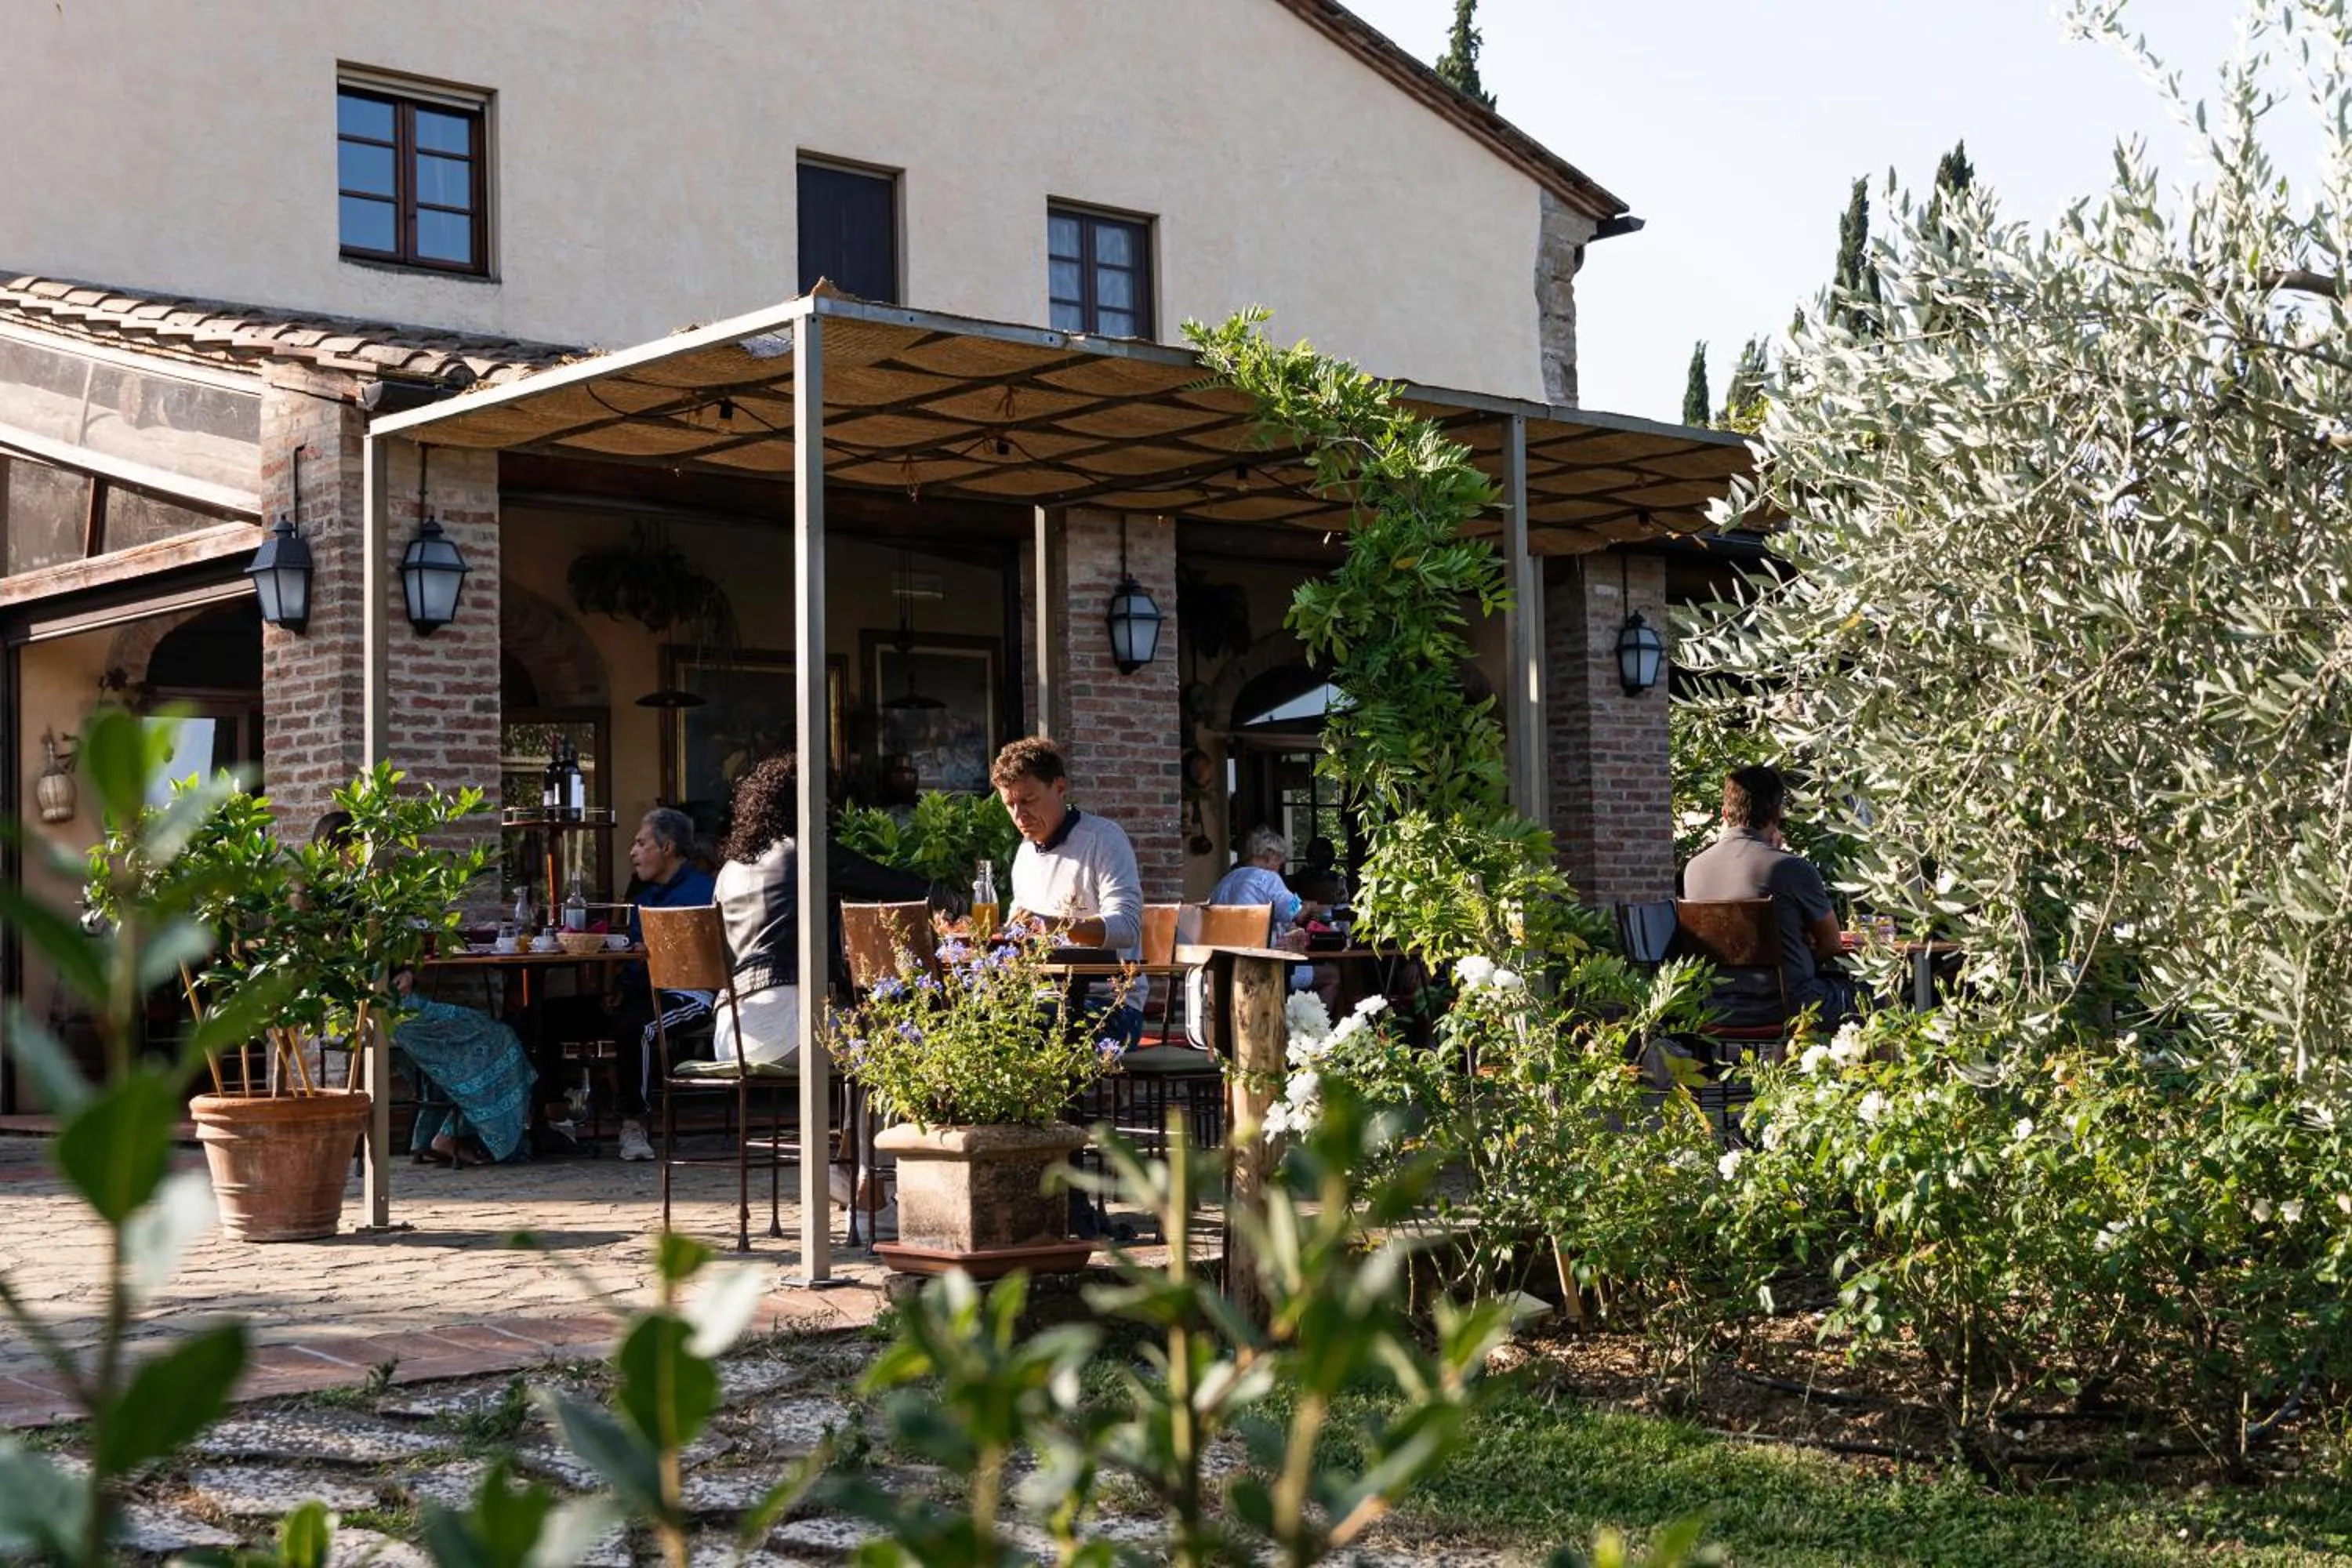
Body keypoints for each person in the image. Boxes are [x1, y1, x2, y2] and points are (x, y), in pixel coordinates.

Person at [311, 812, 534, 1167]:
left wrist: (406, 973)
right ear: (335, 848)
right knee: (499, 1037)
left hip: (398, 1001)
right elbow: (333, 968)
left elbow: (393, 954)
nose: (363, 853)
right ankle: (448, 1136)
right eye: (355, 845)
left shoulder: (369, 893)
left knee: (483, 1041)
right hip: (371, 1010)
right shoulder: (325, 904)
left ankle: (441, 1136)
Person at [1680, 764, 1864, 1031]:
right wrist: (1802, 950)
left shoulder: (1694, 870)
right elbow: (1832, 944)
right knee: (1874, 995)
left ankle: (1778, 1055)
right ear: (1777, 813)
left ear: (1724, 813)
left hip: (1718, 1008)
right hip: (1791, 1006)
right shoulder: (1791, 868)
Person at [992, 735, 1146, 1047]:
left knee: (1009, 1030)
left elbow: (1127, 928)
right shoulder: (1025, 852)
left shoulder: (1104, 839)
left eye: (1028, 800)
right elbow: (1017, 933)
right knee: (967, 1017)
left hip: (1109, 1006)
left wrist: (1056, 925)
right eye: (1010, 805)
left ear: (1060, 787)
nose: (1019, 816)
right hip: (1041, 998)